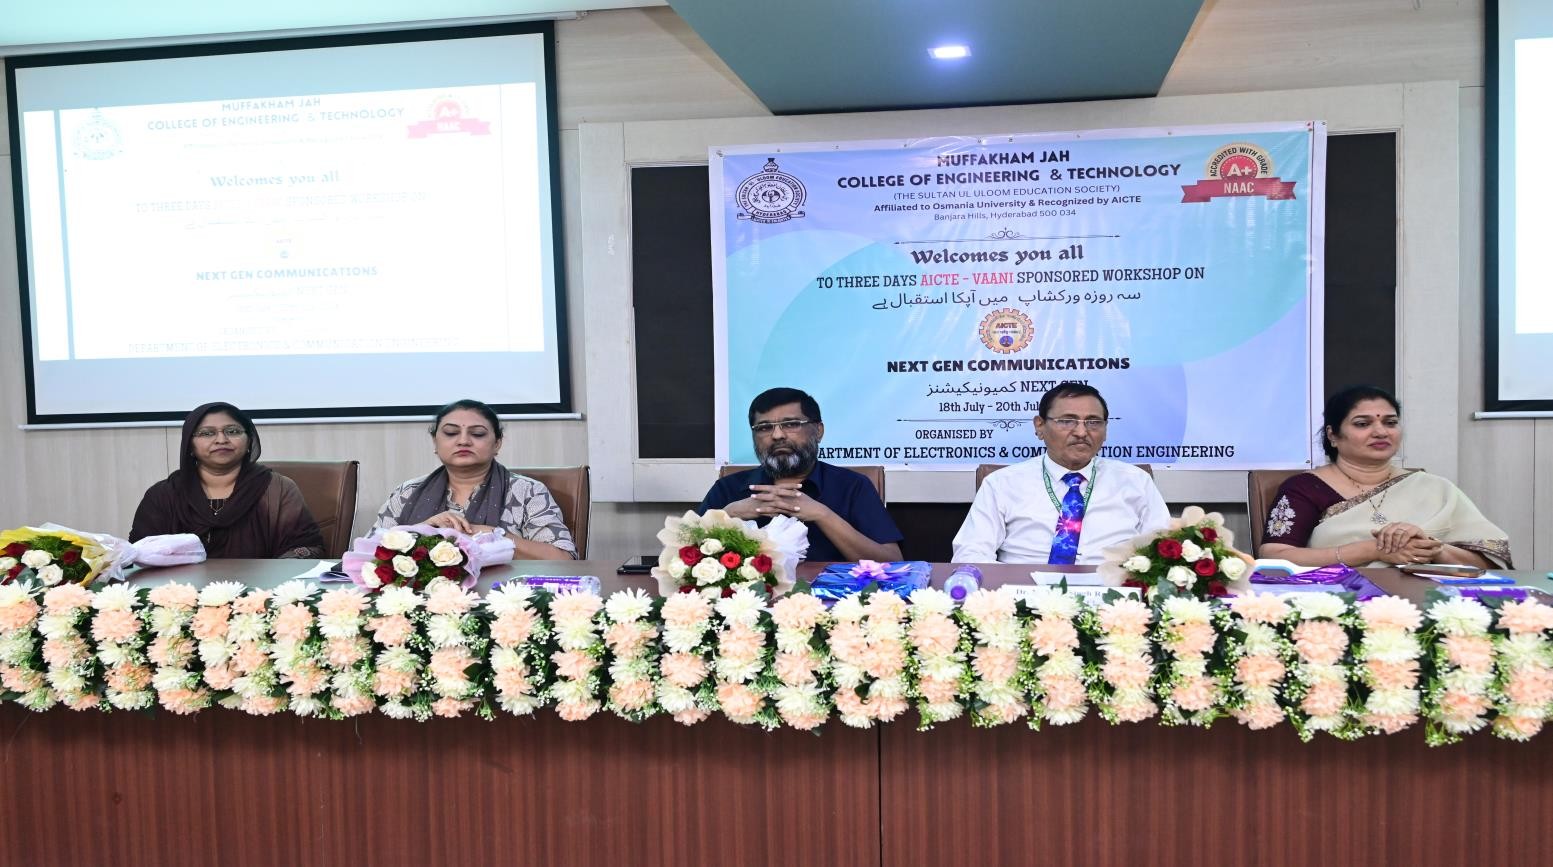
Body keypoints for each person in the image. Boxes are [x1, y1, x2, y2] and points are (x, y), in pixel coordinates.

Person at [1259, 385, 1512, 568]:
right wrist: (1373, 550)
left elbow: (1487, 564)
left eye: (1390, 423)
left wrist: (1431, 548)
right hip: (1339, 605)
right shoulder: (1306, 488)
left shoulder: (1434, 488)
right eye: (1362, 424)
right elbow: (1275, 556)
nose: (1380, 431)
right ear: (1333, 435)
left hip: (1433, 605)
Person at [952, 383, 1169, 565]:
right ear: (1039, 426)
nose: (1082, 432)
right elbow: (971, 553)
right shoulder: (1002, 484)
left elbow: (1164, 549)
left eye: (1093, 422)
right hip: (1025, 599)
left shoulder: (1135, 481)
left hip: (1114, 599)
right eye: (1067, 421)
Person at [697, 387, 903, 563]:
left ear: (818, 431)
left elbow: (892, 563)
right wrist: (726, 517)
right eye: (764, 427)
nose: (777, 435)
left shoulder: (852, 486)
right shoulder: (728, 488)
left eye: (791, 424)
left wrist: (823, 515)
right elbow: (681, 559)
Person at [373, 399, 576, 560]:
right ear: (435, 442)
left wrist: (494, 536)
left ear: (497, 443)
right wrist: (421, 531)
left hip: (503, 601)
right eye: (451, 433)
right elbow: (366, 556)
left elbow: (563, 559)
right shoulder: (407, 492)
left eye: (477, 434)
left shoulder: (527, 492)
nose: (463, 440)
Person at [130, 402, 325, 558]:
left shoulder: (277, 489)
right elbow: (138, 553)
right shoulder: (164, 494)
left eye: (232, 431)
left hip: (260, 596)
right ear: (190, 445)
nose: (221, 440)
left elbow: (307, 547)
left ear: (249, 441)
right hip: (179, 597)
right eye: (207, 433)